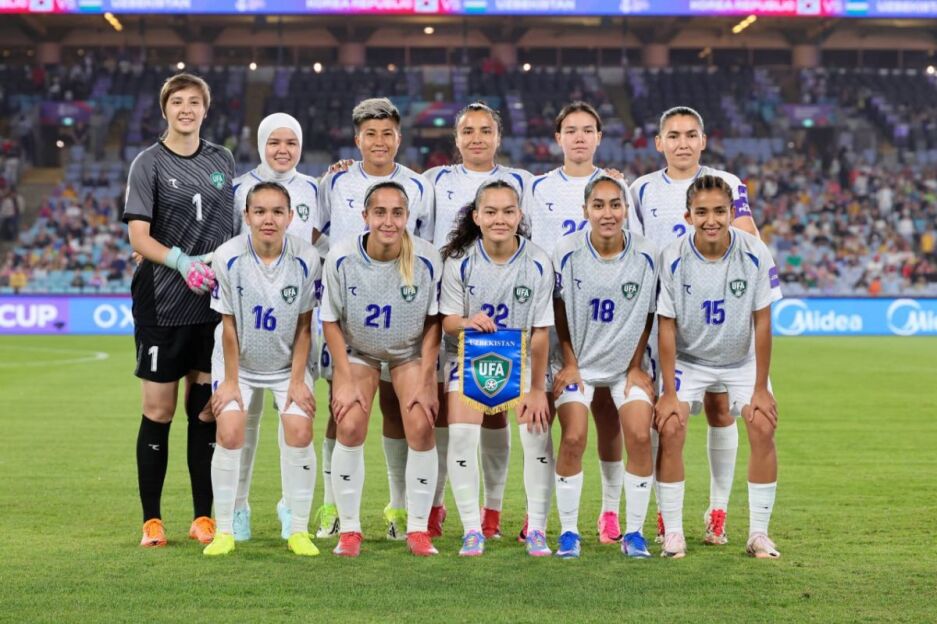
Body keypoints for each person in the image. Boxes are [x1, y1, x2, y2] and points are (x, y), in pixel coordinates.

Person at [629, 105, 760, 545]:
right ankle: (665, 516)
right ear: (659, 143)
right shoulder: (641, 190)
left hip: (717, 318)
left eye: (690, 135)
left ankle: (717, 511)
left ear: (703, 141)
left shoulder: (727, 183)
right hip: (664, 316)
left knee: (721, 411)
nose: (682, 143)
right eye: (673, 135)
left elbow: (749, 237)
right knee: (664, 417)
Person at [123, 73, 236, 548]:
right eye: (177, 101)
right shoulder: (148, 163)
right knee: (159, 409)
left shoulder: (222, 159)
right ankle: (152, 520)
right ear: (165, 108)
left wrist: (214, 263)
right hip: (162, 303)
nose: (186, 109)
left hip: (210, 303)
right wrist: (181, 261)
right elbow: (138, 236)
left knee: (205, 411)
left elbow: (234, 223)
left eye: (194, 102)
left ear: (205, 109)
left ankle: (202, 517)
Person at [312, 98, 433, 541]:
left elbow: (429, 246)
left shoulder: (419, 185)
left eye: (387, 134)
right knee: (341, 409)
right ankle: (332, 506)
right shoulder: (335, 180)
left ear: (399, 139)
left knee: (397, 410)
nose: (379, 142)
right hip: (349, 314)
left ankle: (399, 508)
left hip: (403, 313)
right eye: (370, 134)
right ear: (357, 139)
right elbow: (314, 235)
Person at [655, 174, 782, 559]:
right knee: (670, 426)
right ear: (688, 216)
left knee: (763, 425)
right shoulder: (672, 257)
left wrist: (760, 387)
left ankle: (758, 534)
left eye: (719, 211)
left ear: (731, 212)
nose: (711, 220)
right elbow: (666, 325)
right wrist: (670, 392)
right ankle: (673, 533)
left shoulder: (755, 252)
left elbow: (763, 321)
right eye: (702, 212)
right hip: (690, 361)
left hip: (740, 360)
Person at [422, 101, 533, 539]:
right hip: (445, 306)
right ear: (457, 138)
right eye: (468, 131)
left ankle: (492, 512)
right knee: (443, 412)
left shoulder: (522, 182)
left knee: (496, 413)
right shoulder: (434, 180)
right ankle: (435, 506)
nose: (477, 138)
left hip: (503, 315)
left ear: (498, 137)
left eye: (485, 130)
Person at [522, 101, 626, 545]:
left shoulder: (618, 187)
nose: (579, 137)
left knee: (608, 418)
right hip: (547, 316)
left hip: (602, 324)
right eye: (571, 130)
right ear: (558, 138)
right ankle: (536, 516)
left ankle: (609, 513)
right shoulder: (536, 188)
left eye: (587, 130)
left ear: (599, 137)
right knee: (540, 418)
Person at [321, 181, 442, 557]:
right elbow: (330, 320)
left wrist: (427, 379)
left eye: (397, 213)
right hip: (360, 350)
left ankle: (417, 529)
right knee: (349, 422)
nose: (388, 221)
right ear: (365, 216)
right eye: (380, 212)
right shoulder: (341, 258)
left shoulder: (427, 259)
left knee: (421, 422)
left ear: (408, 217)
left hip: (408, 352)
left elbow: (434, 321)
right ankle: (349, 530)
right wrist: (342, 378)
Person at [203, 181, 322, 557]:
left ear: (290, 216)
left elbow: (305, 326)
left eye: (276, 212)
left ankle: (298, 527)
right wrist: (230, 382)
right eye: (260, 211)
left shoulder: (306, 257)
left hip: (288, 362)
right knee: (230, 431)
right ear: (247, 216)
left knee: (300, 431)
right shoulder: (227, 256)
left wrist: (298, 381)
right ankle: (227, 526)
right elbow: (228, 325)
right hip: (238, 362)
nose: (268, 219)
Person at [439, 179, 554, 557]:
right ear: (476, 217)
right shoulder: (460, 261)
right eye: (490, 212)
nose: (499, 219)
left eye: (508, 211)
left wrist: (537, 390)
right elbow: (448, 322)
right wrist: (467, 322)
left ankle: (537, 529)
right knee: (460, 436)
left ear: (519, 215)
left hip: (522, 358)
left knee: (536, 435)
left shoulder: (538, 262)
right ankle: (472, 530)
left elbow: (541, 332)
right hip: (471, 355)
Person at [228, 112, 324, 542]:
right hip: (247, 318)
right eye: (274, 142)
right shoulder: (239, 188)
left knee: (295, 420)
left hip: (296, 318)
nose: (283, 150)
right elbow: (227, 247)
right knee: (242, 423)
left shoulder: (313, 188)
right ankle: (238, 507)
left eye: (291, 142)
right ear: (261, 144)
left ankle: (291, 506)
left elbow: (320, 239)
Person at [551, 175, 658, 559]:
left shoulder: (647, 255)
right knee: (574, 437)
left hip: (624, 369)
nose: (607, 213)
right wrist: (570, 362)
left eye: (615, 205)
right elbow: (558, 309)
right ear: (585, 211)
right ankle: (568, 532)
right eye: (599, 205)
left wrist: (636, 366)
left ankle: (634, 533)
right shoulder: (566, 252)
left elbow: (648, 313)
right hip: (578, 366)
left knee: (640, 436)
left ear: (626, 210)